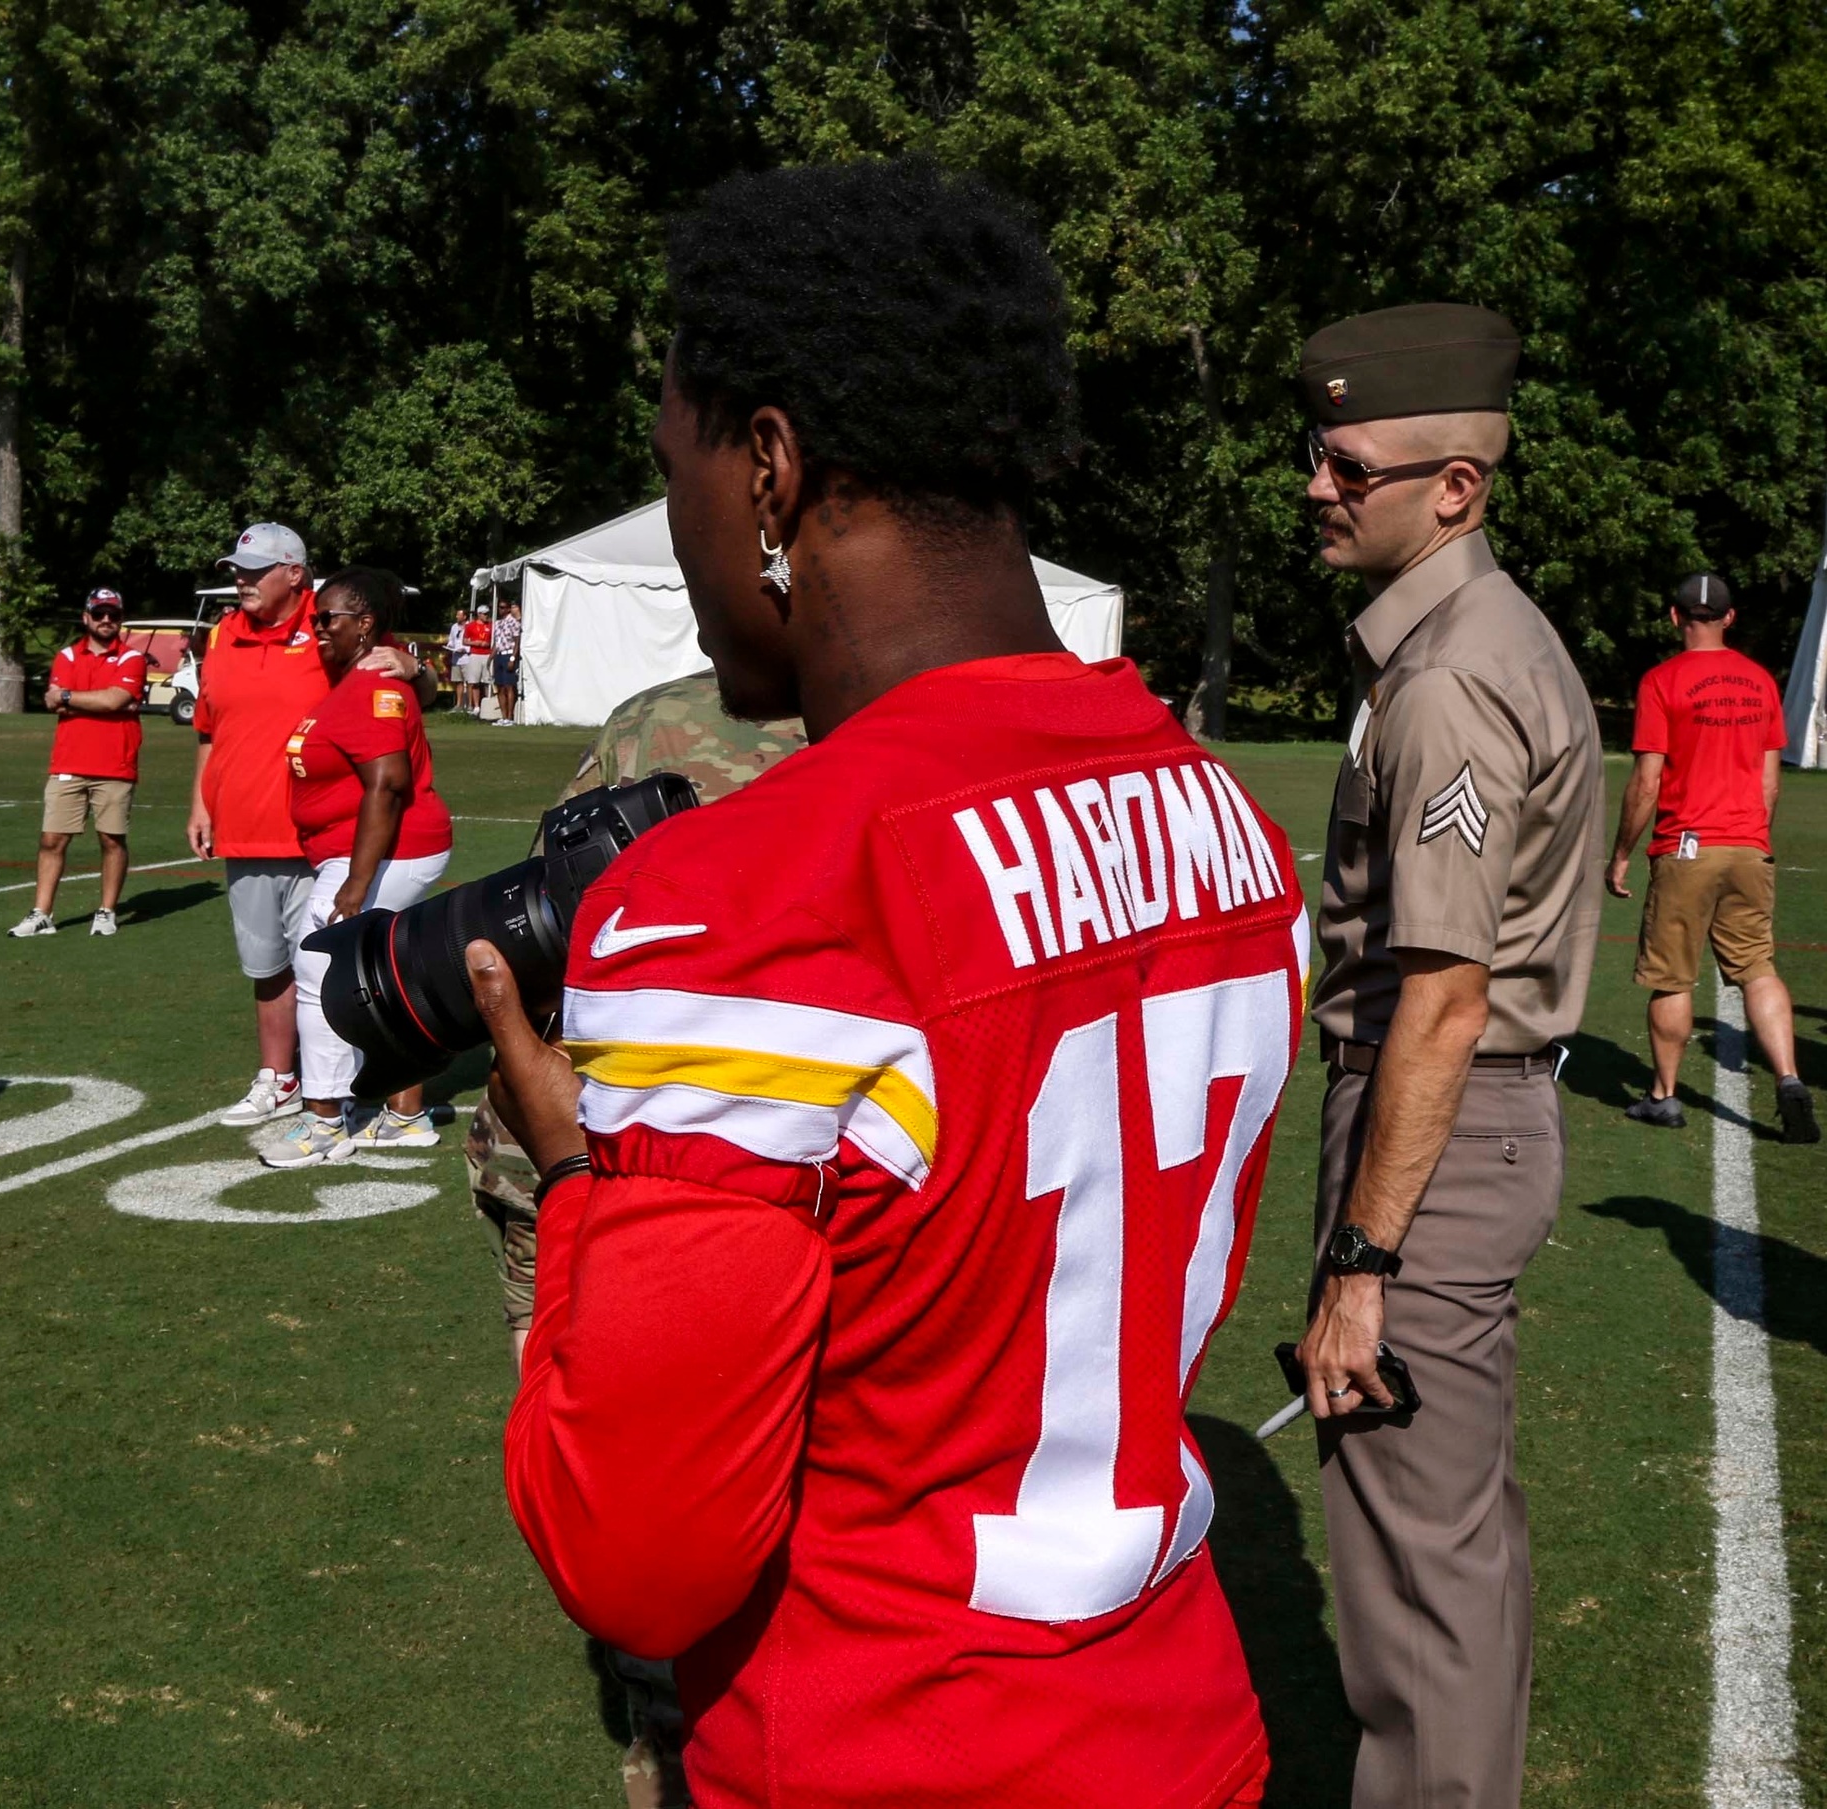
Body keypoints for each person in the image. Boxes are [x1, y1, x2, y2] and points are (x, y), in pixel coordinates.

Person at [476, 158, 1307, 1809]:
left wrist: (579, 1181)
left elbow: (638, 1554)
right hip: (1178, 1721)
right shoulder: (1231, 823)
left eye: (682, 473)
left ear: (771, 467)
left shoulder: (740, 899)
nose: (685, 527)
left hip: (887, 1737)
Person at [1293, 304, 1603, 1809]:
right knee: (1455, 1552)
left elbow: (1441, 997)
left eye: (1349, 462)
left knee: (1418, 1583)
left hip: (1435, 1137)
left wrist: (1363, 1261)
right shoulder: (1473, 641)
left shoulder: (1446, 681)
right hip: (1465, 1134)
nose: (1317, 484)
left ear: (1453, 489)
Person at [462, 666, 806, 1809]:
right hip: (734, 1176)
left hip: (619, 1174)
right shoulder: (893, 724)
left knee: (626, 1495)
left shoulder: (658, 722)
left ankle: (670, 1736)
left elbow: (550, 917)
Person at [188, 523, 432, 1128]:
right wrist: (200, 802)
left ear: (294, 573)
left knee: (335, 965)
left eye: (254, 570)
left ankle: (350, 1093)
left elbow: (411, 688)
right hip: (245, 827)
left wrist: (414, 664)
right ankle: (281, 1078)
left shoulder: (331, 625)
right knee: (266, 965)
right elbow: (207, 728)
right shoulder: (222, 634)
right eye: (237, 570)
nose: (240, 581)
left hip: (330, 839)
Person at [1608, 573, 1818, 1142]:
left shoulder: (1661, 681)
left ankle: (1664, 1096)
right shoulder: (1760, 683)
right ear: (1730, 617)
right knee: (1758, 967)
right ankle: (1791, 1078)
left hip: (1685, 845)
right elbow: (1770, 784)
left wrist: (1621, 853)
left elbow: (1647, 782)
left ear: (1675, 618)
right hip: (1749, 844)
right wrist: (1751, 835)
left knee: (1673, 976)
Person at [267, 567, 454, 1166]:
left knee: (321, 964)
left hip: (381, 850)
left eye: (329, 619)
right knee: (385, 977)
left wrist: (355, 878)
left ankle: (324, 1119)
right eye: (315, 618)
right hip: (367, 848)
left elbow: (388, 785)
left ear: (364, 623)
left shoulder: (371, 685)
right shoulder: (357, 674)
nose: (317, 628)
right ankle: (405, 1115)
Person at [8, 589, 147, 938]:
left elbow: (115, 698)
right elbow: (58, 702)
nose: (105, 620)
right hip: (68, 762)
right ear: (85, 617)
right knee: (51, 839)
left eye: (112, 615)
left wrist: (73, 698)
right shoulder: (67, 656)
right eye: (98, 614)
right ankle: (41, 913)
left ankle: (106, 911)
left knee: (111, 839)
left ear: (120, 620)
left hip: (115, 764)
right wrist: (101, 702)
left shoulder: (131, 658)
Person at [491, 597, 522, 723]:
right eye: (499, 607)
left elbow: (516, 642)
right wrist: (490, 659)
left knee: (509, 686)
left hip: (508, 654)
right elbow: (496, 643)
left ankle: (510, 716)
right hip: (499, 654)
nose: (500, 610)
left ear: (508, 609)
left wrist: (513, 658)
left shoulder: (514, 622)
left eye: (503, 607)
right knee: (500, 687)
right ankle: (503, 717)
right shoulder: (497, 623)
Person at [460, 603, 493, 717]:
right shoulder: (470, 626)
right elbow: (464, 641)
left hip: (487, 654)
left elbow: (494, 640)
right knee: (474, 681)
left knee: (487, 680)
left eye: (487, 614)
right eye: (484, 614)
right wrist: (475, 643)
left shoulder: (491, 625)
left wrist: (488, 643)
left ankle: (487, 704)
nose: (486, 616)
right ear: (479, 614)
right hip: (475, 654)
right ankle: (476, 705)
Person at [446, 609, 470, 710]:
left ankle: (469, 705)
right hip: (456, 658)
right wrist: (449, 646)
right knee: (458, 681)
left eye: (459, 615)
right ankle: (458, 704)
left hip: (467, 658)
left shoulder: (470, 626)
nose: (457, 617)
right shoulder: (454, 627)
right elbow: (451, 640)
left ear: (464, 616)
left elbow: (472, 641)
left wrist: (465, 649)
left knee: (469, 682)